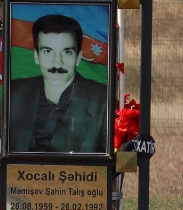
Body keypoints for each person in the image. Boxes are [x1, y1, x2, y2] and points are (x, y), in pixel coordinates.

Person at [6, 12, 109, 154]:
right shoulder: (14, 92)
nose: (57, 63)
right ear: (36, 56)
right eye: (48, 51)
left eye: (67, 52)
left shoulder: (103, 100)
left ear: (78, 57)